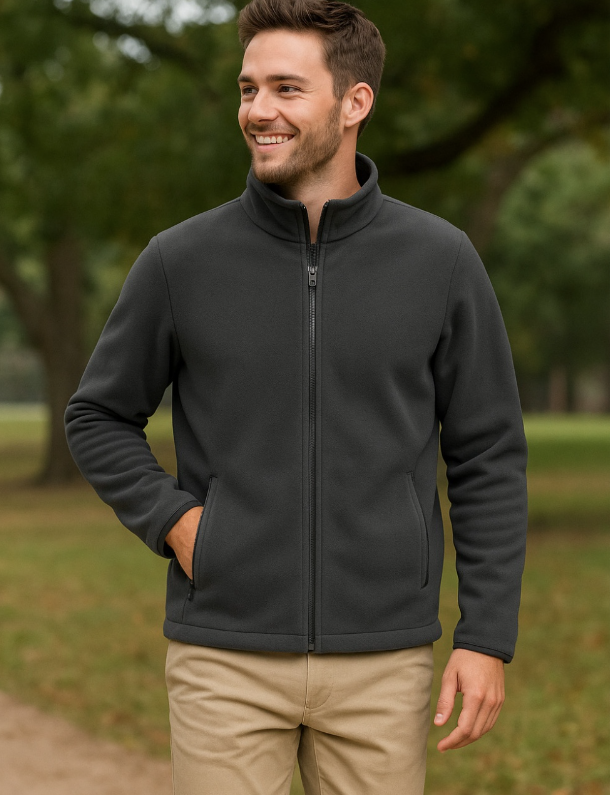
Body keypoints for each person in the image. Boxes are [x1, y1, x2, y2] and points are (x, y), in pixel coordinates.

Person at [64, 1, 528, 793]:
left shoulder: (441, 261)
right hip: (224, 656)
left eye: (286, 88)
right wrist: (176, 521)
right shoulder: (181, 260)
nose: (258, 110)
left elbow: (487, 454)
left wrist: (485, 635)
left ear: (355, 102)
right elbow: (97, 414)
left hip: (384, 658)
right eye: (248, 89)